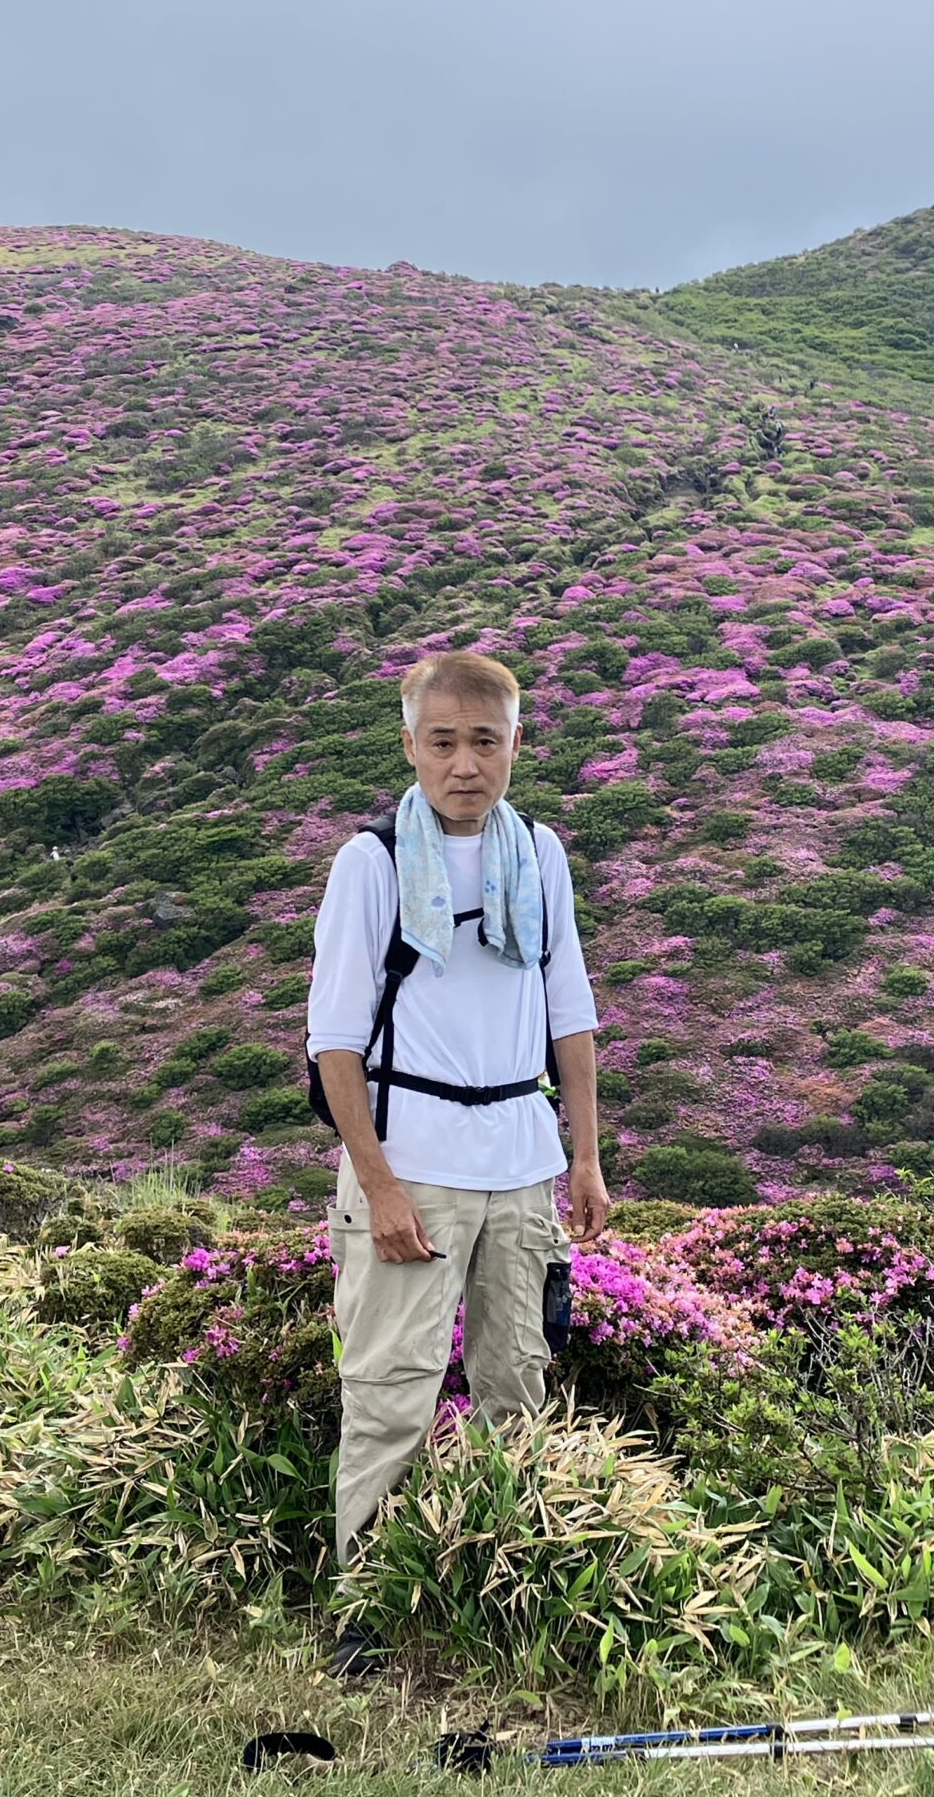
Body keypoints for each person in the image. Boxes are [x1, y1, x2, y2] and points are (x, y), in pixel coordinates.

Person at [304, 649, 608, 1678]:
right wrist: (380, 1185)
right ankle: (366, 1615)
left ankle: (501, 1588)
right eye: (443, 742)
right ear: (410, 746)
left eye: (485, 741)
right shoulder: (373, 863)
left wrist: (585, 1159)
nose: (464, 764)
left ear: (514, 745)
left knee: (516, 1385)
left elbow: (570, 1012)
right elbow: (334, 1043)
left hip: (520, 1160)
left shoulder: (541, 855)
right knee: (389, 1392)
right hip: (414, 1162)